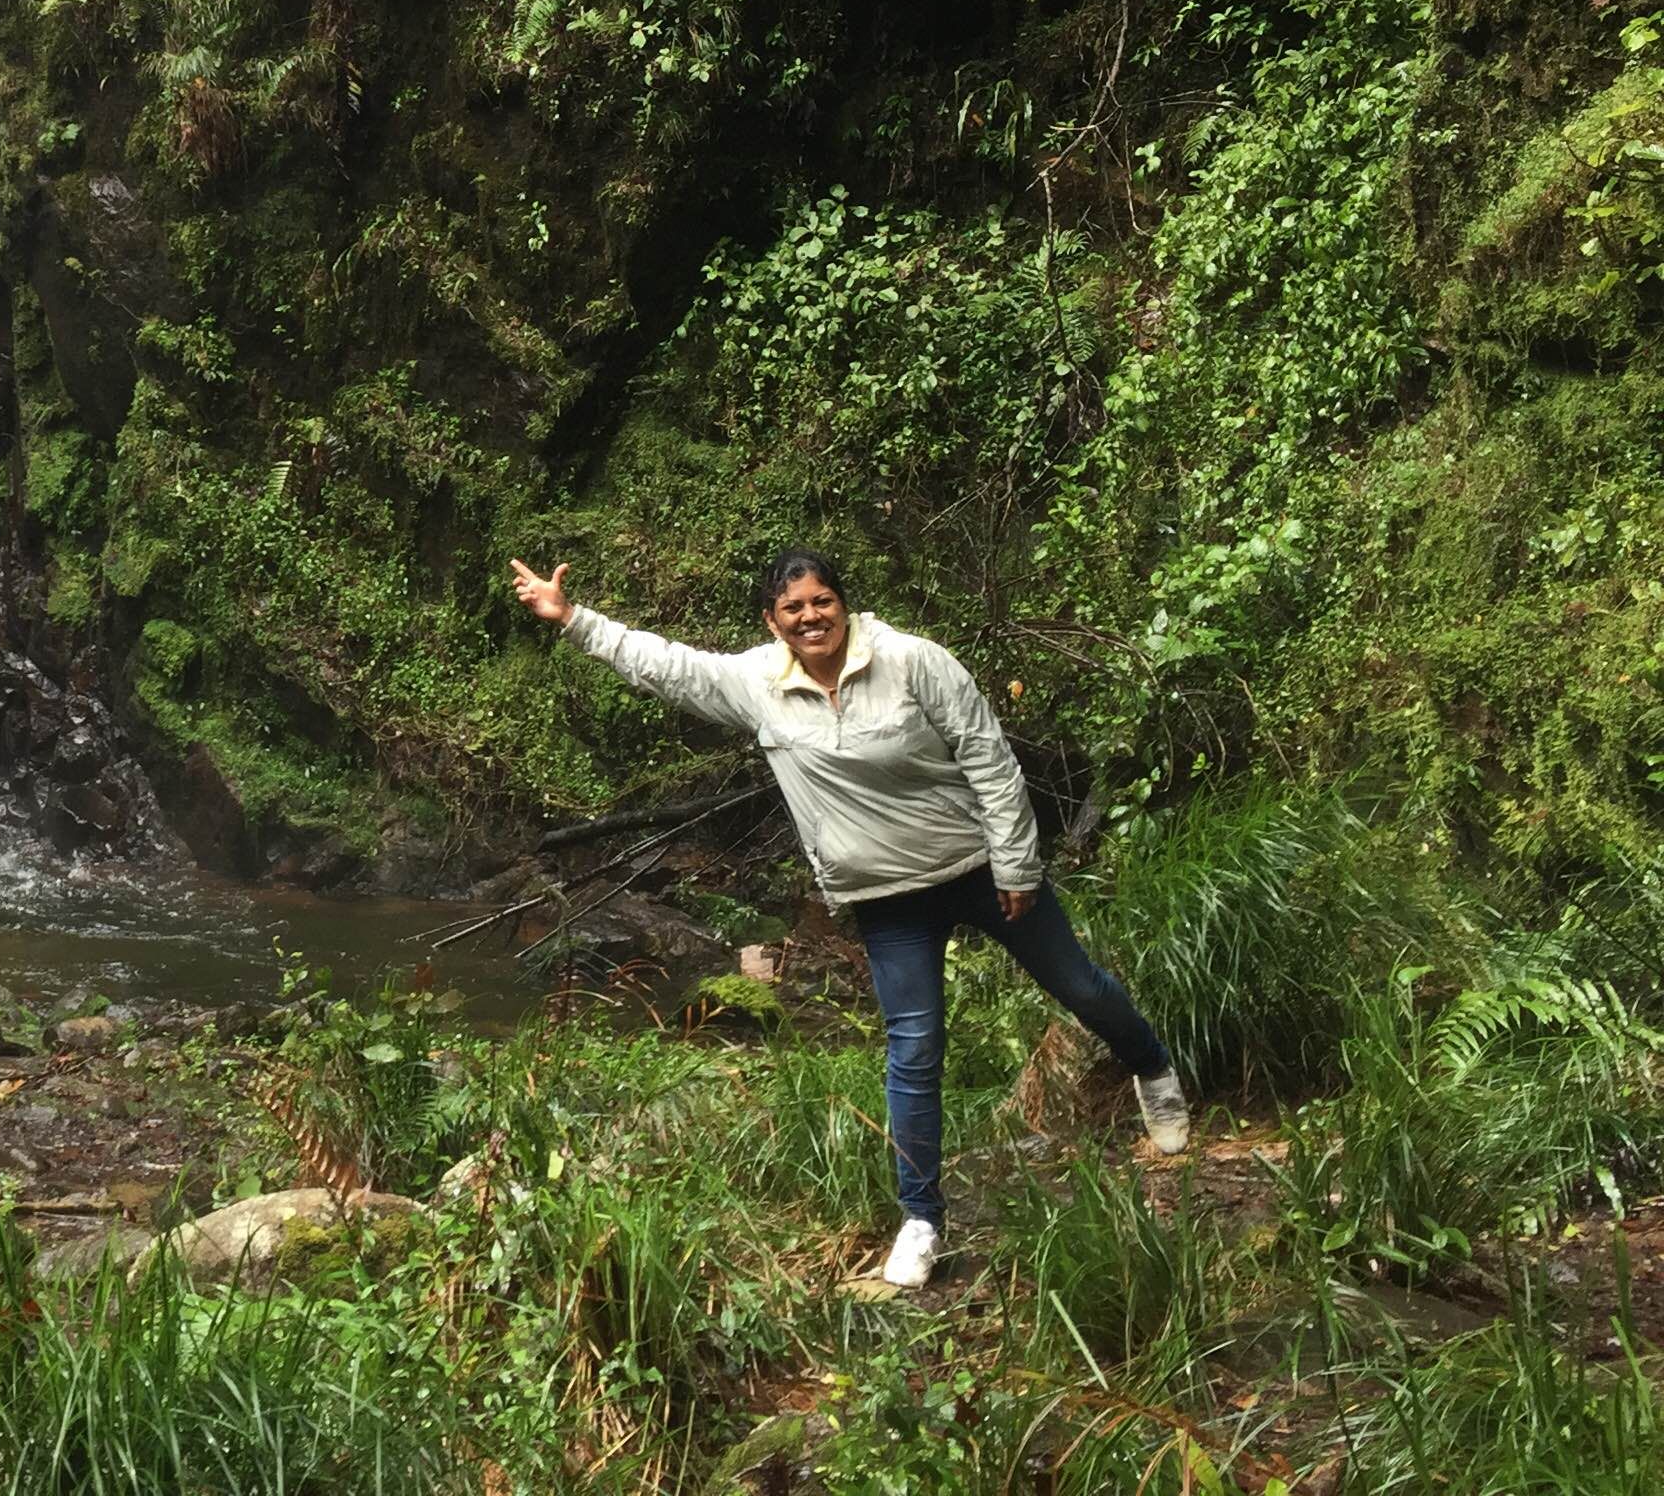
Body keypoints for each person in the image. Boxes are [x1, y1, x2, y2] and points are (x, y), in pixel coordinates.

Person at [507, 546, 1188, 1289]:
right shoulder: (756, 683)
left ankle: (1151, 1066)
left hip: (980, 872)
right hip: (885, 896)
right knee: (914, 1047)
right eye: (792, 608)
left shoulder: (914, 661)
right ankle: (922, 1217)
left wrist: (1017, 864)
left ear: (844, 604)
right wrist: (572, 618)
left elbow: (988, 757)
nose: (810, 617)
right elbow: (667, 665)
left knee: (1080, 988)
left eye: (821, 601)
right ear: (772, 621)